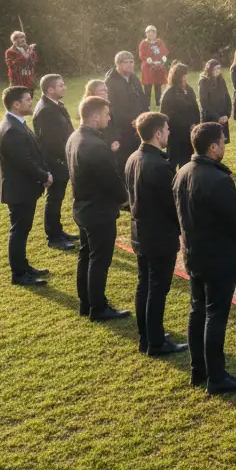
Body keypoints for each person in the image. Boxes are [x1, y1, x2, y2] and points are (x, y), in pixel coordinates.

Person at [174, 121, 236, 395]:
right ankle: (216, 377)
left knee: (197, 311)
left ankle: (199, 370)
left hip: (193, 253)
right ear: (212, 147)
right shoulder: (219, 179)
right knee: (215, 316)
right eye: (222, 142)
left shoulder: (182, 172)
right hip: (218, 258)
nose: (224, 146)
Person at [126, 111, 187, 357]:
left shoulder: (133, 157)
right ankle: (156, 342)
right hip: (159, 236)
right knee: (157, 290)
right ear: (157, 133)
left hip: (140, 233)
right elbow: (172, 205)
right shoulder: (159, 166)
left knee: (145, 286)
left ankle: (147, 336)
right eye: (167, 129)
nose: (169, 133)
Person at [67, 96, 131, 321]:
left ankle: (86, 302)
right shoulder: (95, 145)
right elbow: (111, 180)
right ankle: (98, 307)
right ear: (95, 117)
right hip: (98, 211)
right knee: (99, 260)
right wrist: (126, 200)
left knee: (86, 256)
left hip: (83, 208)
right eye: (106, 114)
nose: (109, 118)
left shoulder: (75, 137)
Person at [0, 85, 52, 286]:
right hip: (19, 190)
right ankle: (19, 274)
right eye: (28, 100)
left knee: (22, 230)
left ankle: (23, 267)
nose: (31, 103)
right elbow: (25, 162)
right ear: (16, 104)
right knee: (19, 231)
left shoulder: (17, 123)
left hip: (22, 188)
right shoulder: (11, 129)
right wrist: (44, 175)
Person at [32, 73, 77, 250]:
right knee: (54, 199)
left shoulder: (55, 105)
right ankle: (53, 237)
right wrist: (67, 156)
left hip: (62, 159)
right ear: (50, 89)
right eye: (61, 85)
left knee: (57, 199)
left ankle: (58, 231)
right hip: (55, 162)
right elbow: (51, 142)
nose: (65, 87)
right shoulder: (45, 110)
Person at [105, 50, 149, 166]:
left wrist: (144, 117)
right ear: (118, 64)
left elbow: (142, 99)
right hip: (121, 129)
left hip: (138, 125)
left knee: (139, 159)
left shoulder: (134, 78)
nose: (130, 65)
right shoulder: (110, 82)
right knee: (125, 161)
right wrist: (130, 120)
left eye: (132, 62)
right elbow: (111, 108)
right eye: (126, 62)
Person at [161, 62, 201, 169]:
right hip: (176, 134)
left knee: (187, 161)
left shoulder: (189, 90)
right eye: (183, 75)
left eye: (186, 75)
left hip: (189, 133)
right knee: (173, 161)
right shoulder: (170, 93)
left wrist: (196, 124)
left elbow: (195, 108)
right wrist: (187, 124)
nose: (185, 78)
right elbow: (167, 115)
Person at [198, 58, 232, 143]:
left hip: (223, 117)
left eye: (219, 68)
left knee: (221, 143)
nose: (217, 71)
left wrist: (227, 115)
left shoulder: (221, 81)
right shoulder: (203, 82)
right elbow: (204, 103)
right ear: (209, 70)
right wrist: (217, 117)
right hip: (210, 119)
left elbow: (227, 97)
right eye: (215, 69)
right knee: (211, 144)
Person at [83, 79, 121, 153]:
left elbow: (115, 127)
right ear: (92, 93)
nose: (106, 93)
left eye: (106, 90)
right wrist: (108, 145)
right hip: (100, 147)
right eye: (102, 90)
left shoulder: (108, 107)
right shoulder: (89, 110)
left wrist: (116, 139)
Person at [138, 25, 170, 107]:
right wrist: (149, 60)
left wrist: (163, 59)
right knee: (147, 86)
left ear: (156, 33)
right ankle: (147, 105)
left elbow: (164, 51)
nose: (151, 34)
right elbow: (142, 54)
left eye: (153, 32)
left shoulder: (159, 42)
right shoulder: (143, 43)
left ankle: (158, 103)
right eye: (149, 32)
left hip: (159, 66)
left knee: (158, 85)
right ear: (146, 34)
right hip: (148, 67)